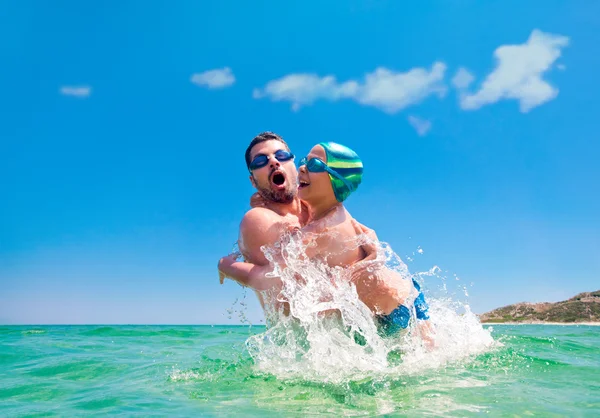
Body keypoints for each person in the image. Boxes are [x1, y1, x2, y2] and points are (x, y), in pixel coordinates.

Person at [220, 142, 432, 339]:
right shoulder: (319, 210)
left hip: (391, 308)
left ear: (293, 165)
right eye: (260, 161)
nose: (274, 162)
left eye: (282, 155)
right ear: (253, 180)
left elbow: (266, 278)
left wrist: (227, 266)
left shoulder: (318, 224)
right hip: (402, 298)